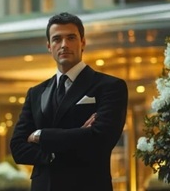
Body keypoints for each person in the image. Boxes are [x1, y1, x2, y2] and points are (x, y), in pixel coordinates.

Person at [9, 12, 128, 191]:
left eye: (71, 38)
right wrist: (76, 137)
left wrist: (41, 136)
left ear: (83, 43)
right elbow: (18, 148)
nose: (64, 45)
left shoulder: (110, 86)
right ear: (49, 46)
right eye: (57, 39)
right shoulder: (36, 93)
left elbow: (101, 139)